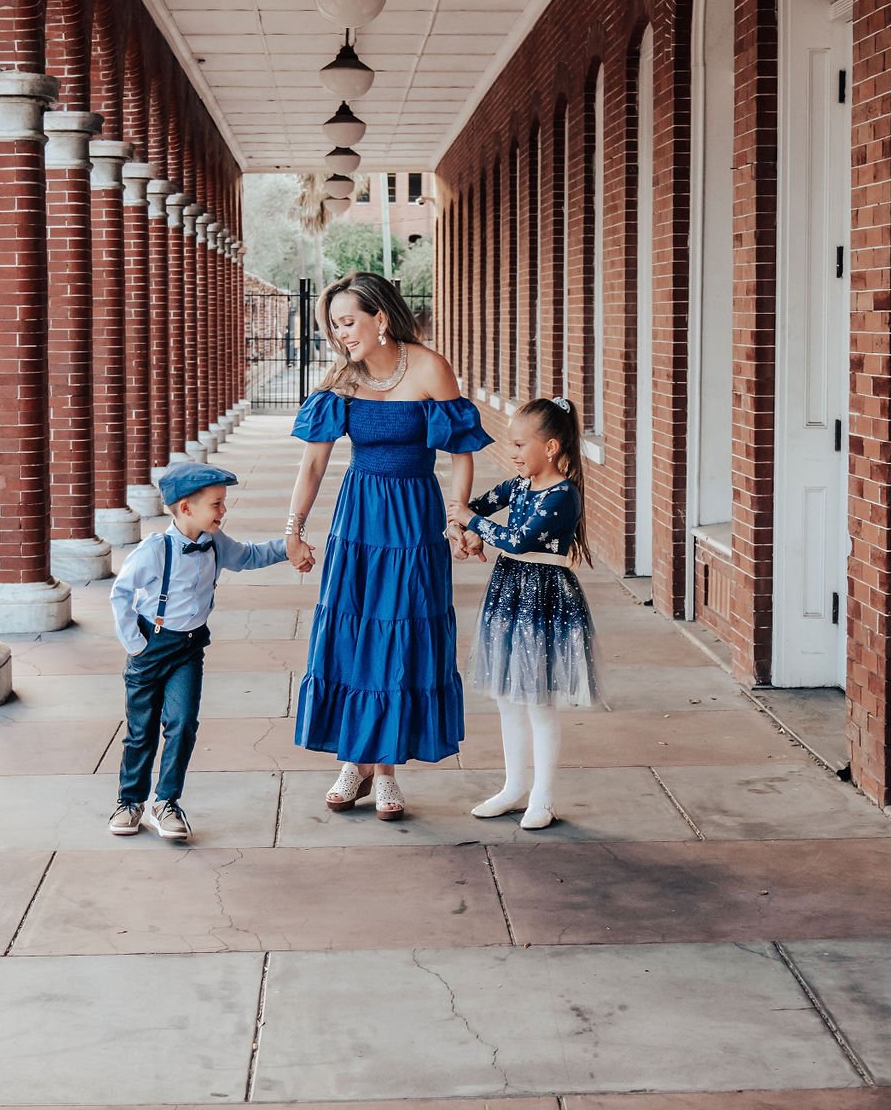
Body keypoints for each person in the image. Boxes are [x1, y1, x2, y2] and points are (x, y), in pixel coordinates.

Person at [286, 271, 492, 822]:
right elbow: (313, 462)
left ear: (380, 317)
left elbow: (461, 451)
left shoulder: (429, 367)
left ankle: (386, 771)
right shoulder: (341, 380)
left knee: (401, 635)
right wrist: (294, 528)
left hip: (415, 520)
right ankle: (355, 761)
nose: (340, 334)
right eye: (333, 325)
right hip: (359, 520)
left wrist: (457, 516)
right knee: (354, 634)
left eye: (348, 321)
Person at [108, 462, 304, 841]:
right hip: (151, 646)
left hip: (189, 648)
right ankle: (130, 801)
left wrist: (287, 548)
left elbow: (247, 556)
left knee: (182, 723)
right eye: (216, 504)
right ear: (186, 508)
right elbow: (121, 594)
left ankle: (165, 801)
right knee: (140, 730)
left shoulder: (215, 542)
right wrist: (136, 644)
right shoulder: (155, 550)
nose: (223, 512)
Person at [447, 396, 597, 831]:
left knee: (540, 702)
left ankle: (543, 798)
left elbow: (516, 540)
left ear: (549, 447)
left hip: (545, 598)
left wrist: (472, 525)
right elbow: (477, 508)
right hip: (509, 595)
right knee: (509, 698)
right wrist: (464, 530)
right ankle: (514, 788)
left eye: (518, 445)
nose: (511, 454)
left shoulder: (562, 495)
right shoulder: (517, 486)